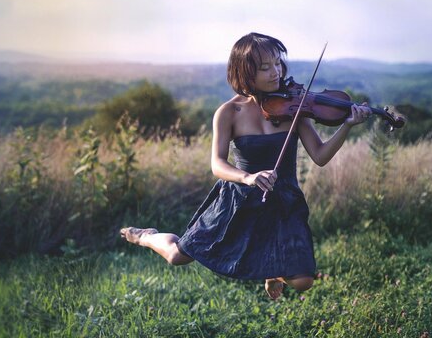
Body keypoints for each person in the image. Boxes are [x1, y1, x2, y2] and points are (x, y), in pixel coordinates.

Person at [120, 32, 371, 299]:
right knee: (177, 255)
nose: (275, 72)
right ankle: (146, 236)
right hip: (238, 198)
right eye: (265, 67)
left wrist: (346, 126)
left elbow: (320, 156)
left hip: (283, 199)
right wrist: (247, 178)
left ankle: (273, 271)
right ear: (244, 71)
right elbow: (217, 164)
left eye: (278, 63)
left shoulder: (294, 108)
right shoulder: (229, 112)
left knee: (303, 281)